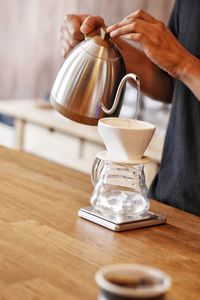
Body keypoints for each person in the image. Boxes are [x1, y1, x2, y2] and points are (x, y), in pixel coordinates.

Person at [60, 0, 200, 216]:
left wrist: (183, 63)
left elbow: (183, 67)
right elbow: (173, 85)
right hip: (171, 199)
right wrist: (104, 44)